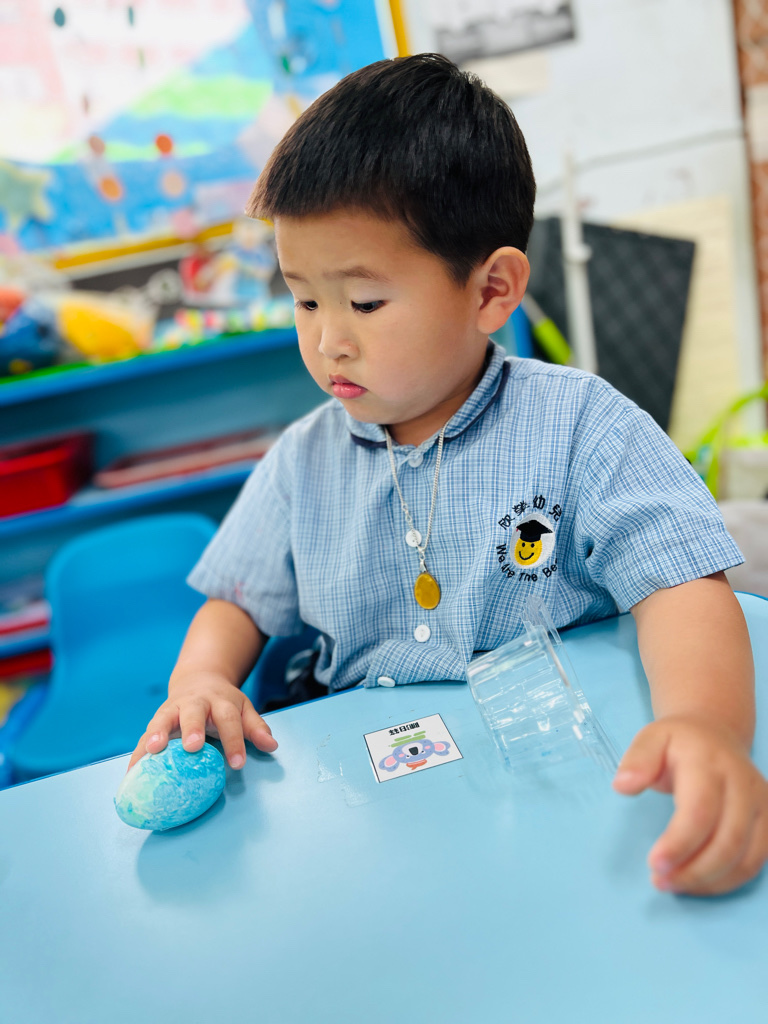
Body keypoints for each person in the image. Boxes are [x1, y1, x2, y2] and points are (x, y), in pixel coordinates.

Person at [128, 53, 768, 896]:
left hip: (565, 785)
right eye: (304, 299)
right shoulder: (302, 461)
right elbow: (237, 601)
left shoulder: (581, 425)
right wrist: (202, 680)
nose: (327, 340)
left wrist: (706, 727)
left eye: (363, 303)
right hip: (380, 818)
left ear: (492, 290)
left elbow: (681, 588)